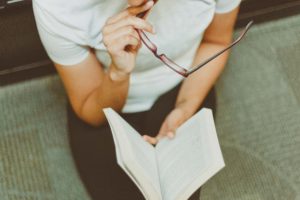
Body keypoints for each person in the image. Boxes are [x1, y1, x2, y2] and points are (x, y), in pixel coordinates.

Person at [32, 0, 241, 199]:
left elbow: (216, 41)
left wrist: (185, 107)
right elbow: (90, 108)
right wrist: (118, 73)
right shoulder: (57, 6)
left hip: (185, 83)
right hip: (104, 91)